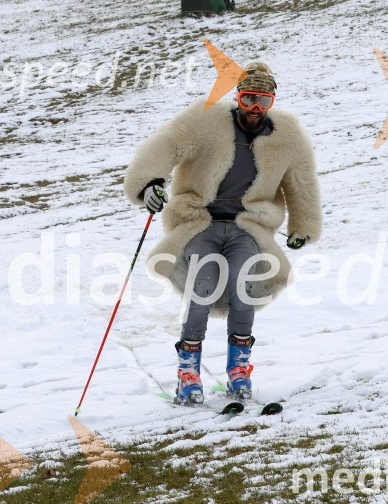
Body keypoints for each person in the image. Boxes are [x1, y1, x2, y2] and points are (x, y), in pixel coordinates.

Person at [124, 61, 322, 405]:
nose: (255, 110)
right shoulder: (205, 120)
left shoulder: (287, 134)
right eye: (248, 100)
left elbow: (301, 181)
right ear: (237, 97)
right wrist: (149, 183)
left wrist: (302, 226)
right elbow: (165, 145)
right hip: (202, 223)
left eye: (263, 102)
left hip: (248, 228)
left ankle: (238, 369)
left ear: (272, 102)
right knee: (202, 290)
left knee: (242, 291)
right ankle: (188, 373)